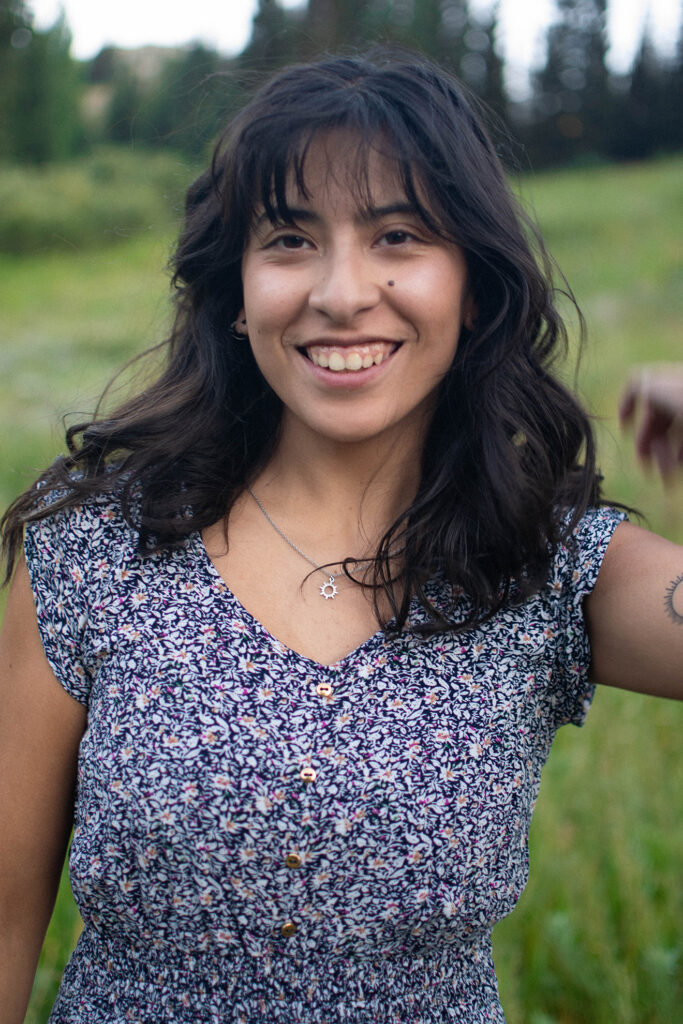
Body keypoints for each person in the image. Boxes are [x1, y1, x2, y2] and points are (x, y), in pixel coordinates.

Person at [0, 51, 681, 1024]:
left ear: (472, 285)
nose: (341, 290)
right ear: (236, 291)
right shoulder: (93, 550)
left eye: (397, 235)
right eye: (288, 240)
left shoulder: (541, 559)